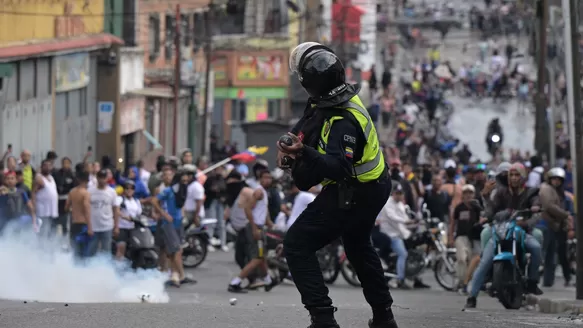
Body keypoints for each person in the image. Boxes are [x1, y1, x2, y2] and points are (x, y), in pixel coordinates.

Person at [278, 42, 397, 328]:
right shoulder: (328, 98)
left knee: (296, 244)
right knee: (357, 245)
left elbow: (337, 166)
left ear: (310, 83)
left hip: (360, 190)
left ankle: (323, 318)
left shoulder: (344, 119)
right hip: (371, 185)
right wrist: (289, 144)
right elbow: (305, 124)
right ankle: (384, 317)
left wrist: (303, 153)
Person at [465, 163, 543, 309]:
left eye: (517, 175)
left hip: (521, 232)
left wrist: (530, 215)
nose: (514, 178)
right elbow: (490, 213)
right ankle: (472, 296)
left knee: (536, 247)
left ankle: (532, 281)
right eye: (511, 175)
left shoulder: (531, 192)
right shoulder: (501, 193)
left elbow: (537, 210)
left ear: (523, 176)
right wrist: (486, 196)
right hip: (500, 232)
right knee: (484, 262)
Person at [227, 170, 275, 292]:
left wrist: (269, 223)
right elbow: (247, 209)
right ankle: (235, 282)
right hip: (256, 227)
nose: (268, 180)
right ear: (260, 179)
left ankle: (268, 280)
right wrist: (254, 228)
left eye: (269, 178)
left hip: (260, 227)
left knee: (262, 256)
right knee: (258, 257)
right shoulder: (259, 192)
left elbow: (264, 210)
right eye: (265, 177)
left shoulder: (264, 192)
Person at [539, 167, 573, 287]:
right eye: (554, 179)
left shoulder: (561, 192)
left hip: (558, 226)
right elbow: (549, 206)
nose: (556, 181)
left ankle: (560, 278)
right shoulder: (546, 189)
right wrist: (565, 215)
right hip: (548, 224)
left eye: (559, 179)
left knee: (558, 254)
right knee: (547, 254)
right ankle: (544, 280)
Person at [449, 184, 484, 293]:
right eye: (466, 193)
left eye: (470, 193)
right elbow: (453, 223)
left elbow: (482, 219)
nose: (468, 195)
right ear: (462, 195)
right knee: (461, 259)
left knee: (470, 261)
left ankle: (464, 282)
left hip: (472, 238)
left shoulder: (477, 207)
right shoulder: (459, 208)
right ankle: (461, 281)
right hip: (460, 236)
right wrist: (450, 237)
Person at [378, 183, 411, 289]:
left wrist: (413, 223)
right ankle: (400, 278)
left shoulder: (400, 204)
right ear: (393, 193)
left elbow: (405, 217)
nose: (400, 196)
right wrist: (406, 222)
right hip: (391, 235)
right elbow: (393, 217)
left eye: (401, 193)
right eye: (398, 193)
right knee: (403, 254)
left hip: (400, 233)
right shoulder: (388, 203)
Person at [87, 169, 120, 256]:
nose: (102, 180)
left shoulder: (112, 192)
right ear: (97, 178)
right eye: (100, 177)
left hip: (107, 226)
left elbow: (116, 209)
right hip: (93, 227)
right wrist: (88, 226)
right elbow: (86, 209)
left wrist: (116, 226)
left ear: (107, 178)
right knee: (91, 252)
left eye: (103, 178)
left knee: (106, 252)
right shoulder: (90, 191)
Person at [65, 170, 92, 258]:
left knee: (75, 251)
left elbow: (66, 207)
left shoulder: (72, 192)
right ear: (87, 181)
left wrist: (74, 209)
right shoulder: (86, 193)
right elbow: (86, 209)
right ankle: (83, 270)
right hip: (83, 225)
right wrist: (90, 227)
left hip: (74, 223)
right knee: (83, 252)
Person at [114, 181, 143, 261]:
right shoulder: (120, 199)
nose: (129, 190)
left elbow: (139, 214)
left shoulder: (136, 201)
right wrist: (125, 217)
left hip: (133, 228)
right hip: (122, 227)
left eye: (132, 188)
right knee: (121, 247)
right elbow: (116, 211)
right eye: (127, 188)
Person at [33, 159, 59, 237]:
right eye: (45, 166)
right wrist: (34, 207)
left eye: (49, 166)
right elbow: (33, 192)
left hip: (52, 210)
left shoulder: (51, 177)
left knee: (51, 231)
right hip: (43, 210)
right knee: (43, 230)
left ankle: (49, 246)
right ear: (41, 167)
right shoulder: (39, 177)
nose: (47, 167)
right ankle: (41, 247)